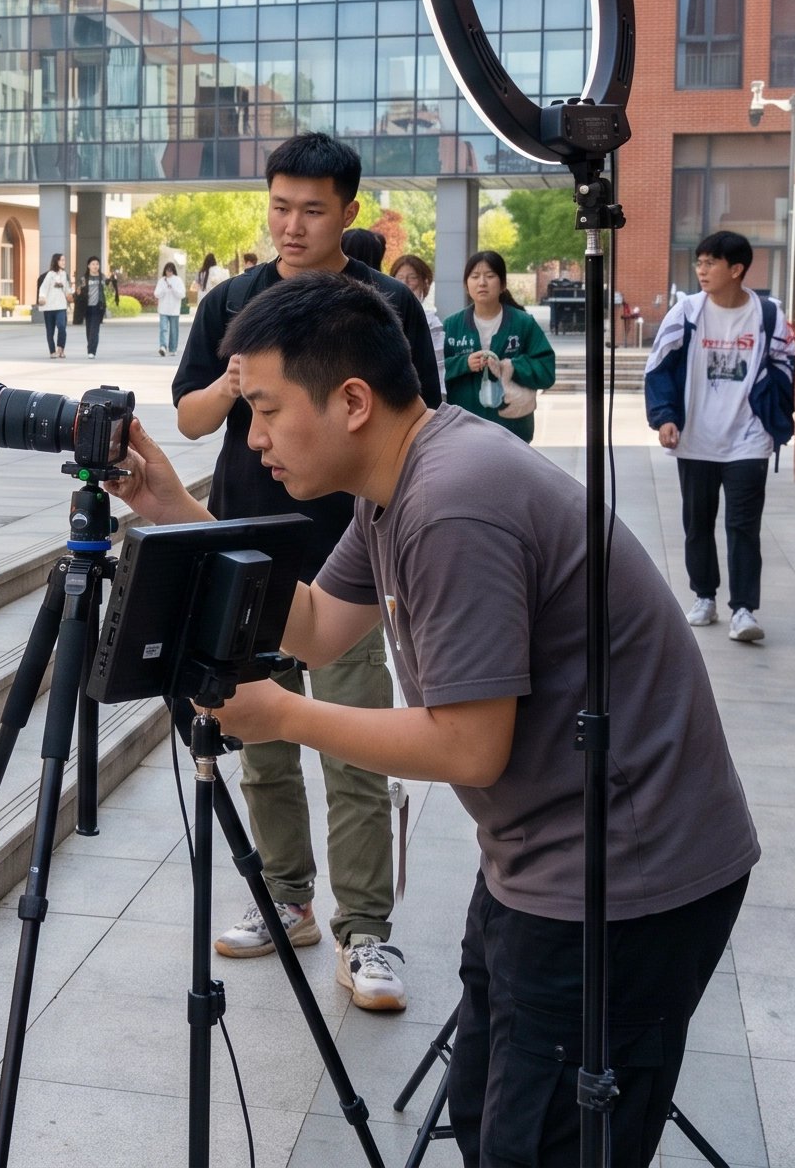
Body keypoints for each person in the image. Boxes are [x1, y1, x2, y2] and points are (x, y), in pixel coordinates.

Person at [110, 270, 758, 1168]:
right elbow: (312, 624)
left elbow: (468, 746)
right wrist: (169, 508)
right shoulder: (400, 479)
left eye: (263, 409)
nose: (252, 440)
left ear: (351, 400)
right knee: (491, 1125)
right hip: (541, 862)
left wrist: (285, 716)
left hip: (628, 882)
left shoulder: (453, 498)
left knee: (544, 1148)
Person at [170, 132, 442, 1012]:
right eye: (280, 206)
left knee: (355, 747)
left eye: (312, 210)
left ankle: (367, 932)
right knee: (262, 744)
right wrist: (234, 386)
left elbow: (422, 426)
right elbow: (187, 419)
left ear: (349, 214)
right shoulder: (232, 302)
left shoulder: (385, 305)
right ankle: (285, 899)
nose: (292, 225)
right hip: (248, 554)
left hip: (351, 562)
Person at [643, 231, 795, 646]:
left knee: (743, 525)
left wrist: (772, 419)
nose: (702, 270)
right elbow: (657, 367)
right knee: (698, 523)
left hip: (749, 439)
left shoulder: (768, 314)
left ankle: (744, 609)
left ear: (737, 269)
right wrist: (665, 418)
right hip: (696, 439)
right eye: (699, 262)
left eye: (711, 263)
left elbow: (786, 366)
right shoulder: (687, 312)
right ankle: (704, 595)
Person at [443, 250, 559, 443]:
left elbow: (546, 371)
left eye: (490, 276)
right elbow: (432, 370)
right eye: (475, 276)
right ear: (466, 285)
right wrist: (464, 363)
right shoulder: (451, 326)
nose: (482, 282)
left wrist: (512, 367)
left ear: (503, 284)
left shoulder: (523, 323)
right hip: (464, 433)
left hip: (512, 432)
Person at [390, 253, 447, 355]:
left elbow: (439, 364)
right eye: (399, 277)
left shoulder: (431, 322)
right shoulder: (383, 318)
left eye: (412, 278)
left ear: (425, 283)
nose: (405, 283)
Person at [75, 257, 114, 358]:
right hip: (87, 307)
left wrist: (112, 281)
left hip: (98, 306)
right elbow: (79, 291)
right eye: (93, 264)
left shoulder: (102, 277)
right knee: (89, 329)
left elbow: (109, 288)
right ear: (88, 266)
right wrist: (77, 293)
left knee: (95, 329)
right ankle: (90, 348)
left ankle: (92, 351)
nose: (95, 266)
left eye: (97, 264)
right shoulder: (84, 278)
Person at [38, 254, 72, 359]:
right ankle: (52, 351)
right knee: (50, 330)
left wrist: (70, 295)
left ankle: (60, 348)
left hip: (61, 306)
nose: (63, 262)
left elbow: (67, 289)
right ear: (56, 261)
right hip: (49, 307)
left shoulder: (64, 275)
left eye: (64, 260)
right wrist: (42, 297)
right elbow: (43, 288)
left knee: (62, 327)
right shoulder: (50, 275)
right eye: (61, 260)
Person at [155, 260, 186, 357]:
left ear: (173, 271)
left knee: (174, 330)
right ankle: (163, 347)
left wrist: (172, 288)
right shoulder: (161, 281)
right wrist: (164, 290)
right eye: (167, 270)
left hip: (174, 310)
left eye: (170, 270)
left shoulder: (178, 280)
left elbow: (182, 294)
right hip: (163, 309)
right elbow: (156, 294)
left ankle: (173, 349)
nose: (168, 272)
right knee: (163, 329)